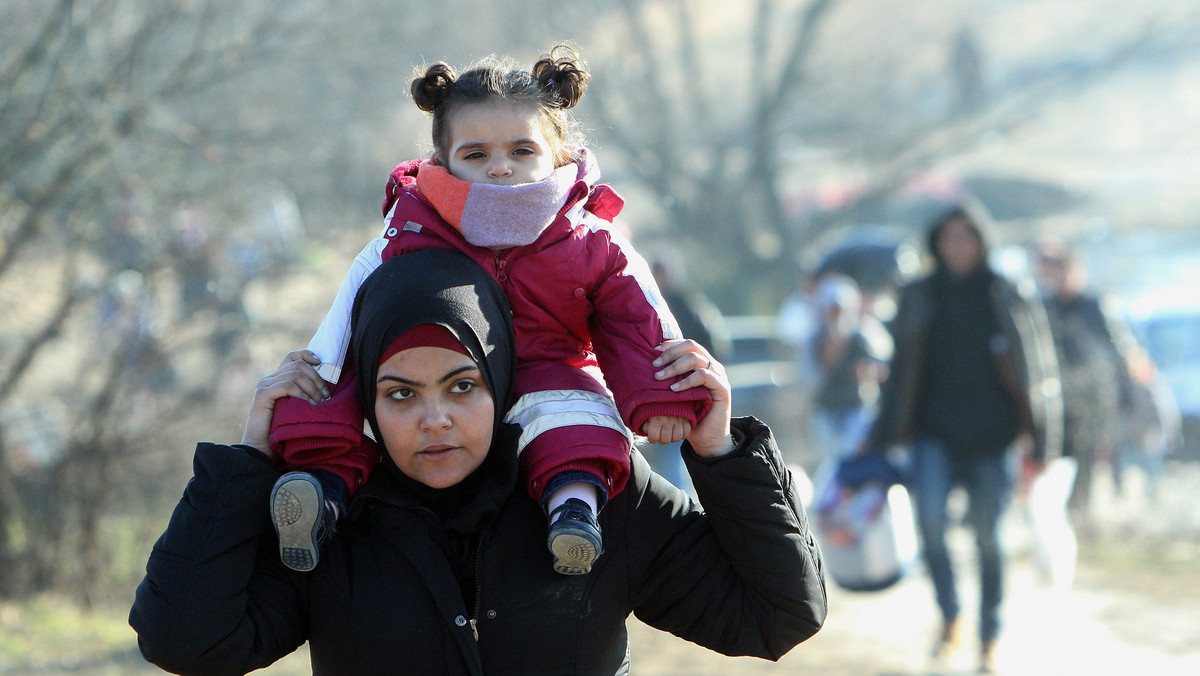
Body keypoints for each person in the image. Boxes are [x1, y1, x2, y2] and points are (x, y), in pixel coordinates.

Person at [129, 248, 827, 675]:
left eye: (462, 387)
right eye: (400, 394)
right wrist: (250, 460)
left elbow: (776, 614)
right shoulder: (325, 523)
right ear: (368, 400)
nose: (435, 420)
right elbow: (189, 642)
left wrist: (719, 449)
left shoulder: (596, 494)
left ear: (501, 378)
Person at [266, 45, 709, 576]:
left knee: (579, 418)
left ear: (558, 154)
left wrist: (662, 392)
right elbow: (353, 310)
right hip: (437, 371)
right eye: (476, 155)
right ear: (443, 162)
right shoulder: (415, 225)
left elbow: (639, 318)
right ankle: (322, 496)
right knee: (359, 393)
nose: (500, 168)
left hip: (548, 367)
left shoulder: (590, 238)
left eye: (522, 150)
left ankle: (572, 514)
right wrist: (315, 375)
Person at [860, 203, 1061, 673]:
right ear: (937, 243)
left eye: (966, 237)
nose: (958, 247)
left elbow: (1039, 368)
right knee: (930, 523)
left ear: (981, 241)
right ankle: (951, 617)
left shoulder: (1006, 293)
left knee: (990, 538)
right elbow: (899, 374)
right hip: (932, 433)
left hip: (994, 436)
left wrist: (1044, 440)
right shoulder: (918, 295)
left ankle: (989, 635)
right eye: (949, 238)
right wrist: (879, 433)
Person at [1035, 238, 1135, 524]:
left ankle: (1082, 513)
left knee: (1088, 456)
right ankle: (1062, 514)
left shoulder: (1094, 305)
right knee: (1058, 456)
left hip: (1093, 395)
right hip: (1056, 395)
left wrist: (1124, 388)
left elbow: (1119, 348)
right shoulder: (1045, 307)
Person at [806, 273, 890, 461]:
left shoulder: (861, 337)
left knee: (852, 456)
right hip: (826, 408)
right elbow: (810, 379)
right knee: (831, 460)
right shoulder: (816, 339)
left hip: (856, 406)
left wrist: (867, 371)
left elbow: (882, 367)